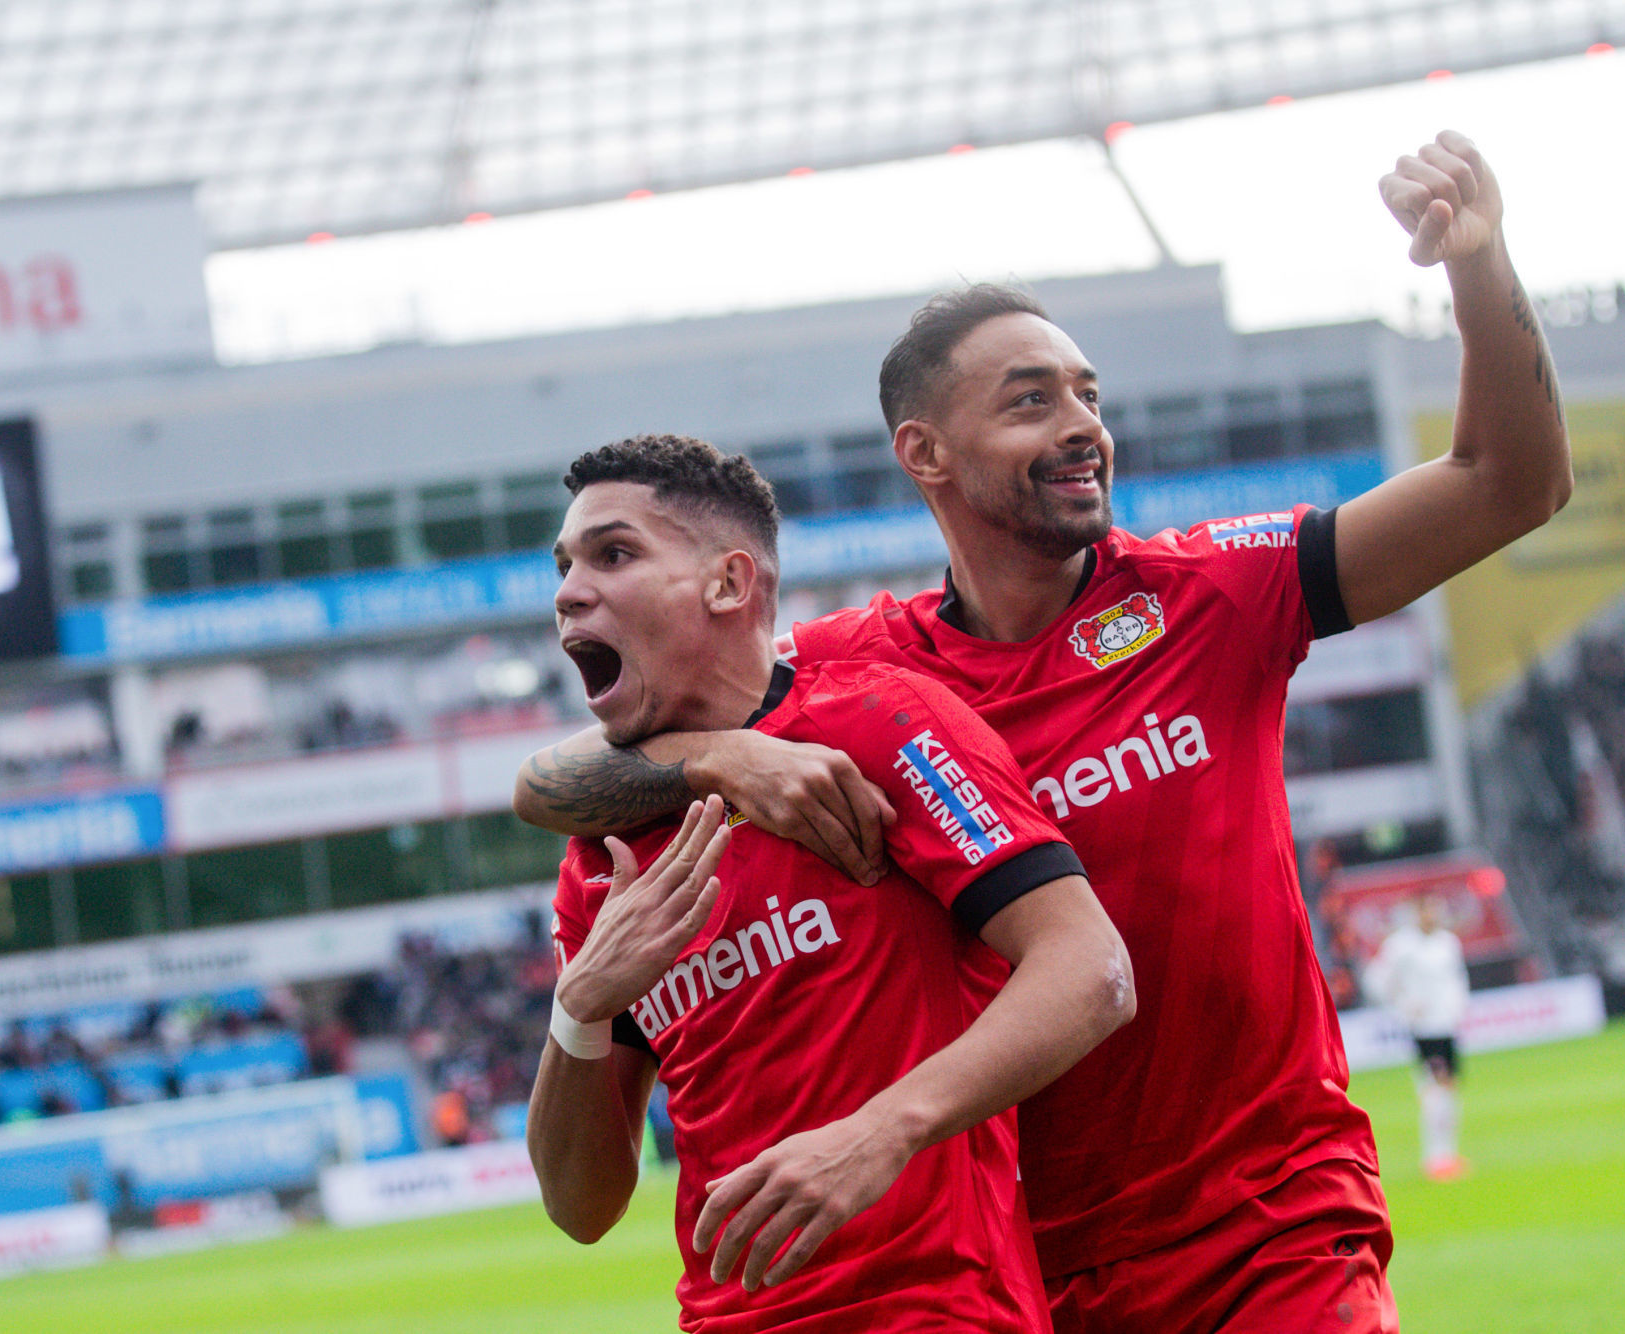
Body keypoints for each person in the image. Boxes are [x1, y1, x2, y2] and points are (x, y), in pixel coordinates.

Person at [515, 131, 1569, 1332]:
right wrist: (716, 755)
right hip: (1030, 1260)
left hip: (1266, 1217)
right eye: (1032, 401)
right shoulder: (865, 669)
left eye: (1089, 396)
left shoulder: (1211, 593)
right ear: (927, 453)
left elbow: (1509, 485)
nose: (1082, 425)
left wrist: (1479, 267)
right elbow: (564, 775)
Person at [527, 435, 1132, 1332]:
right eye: (565, 564)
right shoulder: (602, 851)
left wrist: (881, 1132)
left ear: (729, 584)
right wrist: (577, 1008)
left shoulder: (876, 724)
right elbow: (581, 1209)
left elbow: (1090, 970)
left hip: (941, 1310)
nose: (569, 590)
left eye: (614, 555)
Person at [1361, 896, 1470, 1180]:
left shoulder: (1448, 943)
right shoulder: (1401, 946)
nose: (1431, 915)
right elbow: (1376, 980)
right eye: (1425, 910)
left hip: (1447, 1025)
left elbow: (1457, 979)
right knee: (1435, 1088)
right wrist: (1403, 1007)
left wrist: (1460, 1006)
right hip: (1424, 1027)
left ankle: (1448, 1153)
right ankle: (1436, 1157)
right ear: (1415, 913)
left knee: (1449, 1087)